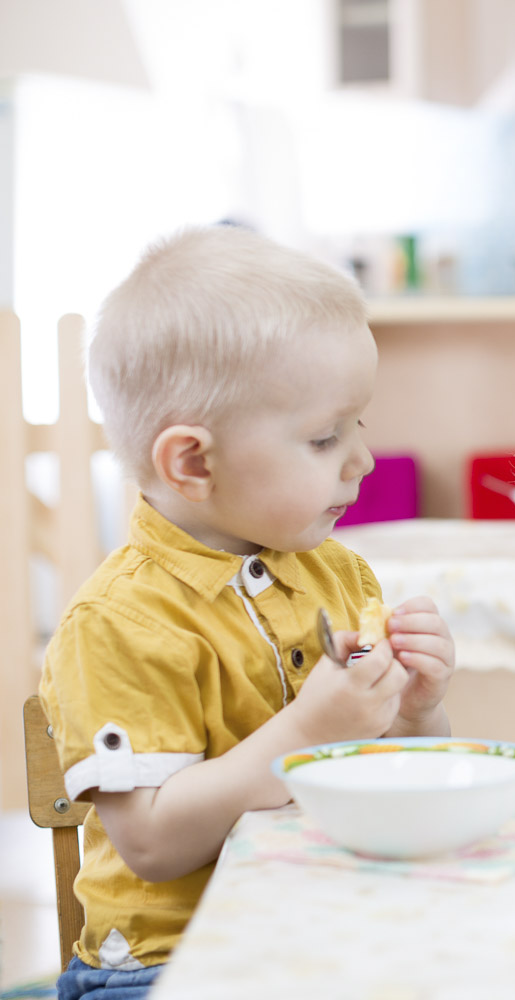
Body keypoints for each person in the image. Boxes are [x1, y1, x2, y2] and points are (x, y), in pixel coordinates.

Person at [38, 226, 457, 999]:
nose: (362, 460)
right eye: (326, 437)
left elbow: (383, 769)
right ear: (193, 463)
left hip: (324, 925)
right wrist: (307, 732)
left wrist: (417, 715)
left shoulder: (337, 573)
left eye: (356, 426)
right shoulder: (119, 624)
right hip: (174, 963)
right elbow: (155, 845)